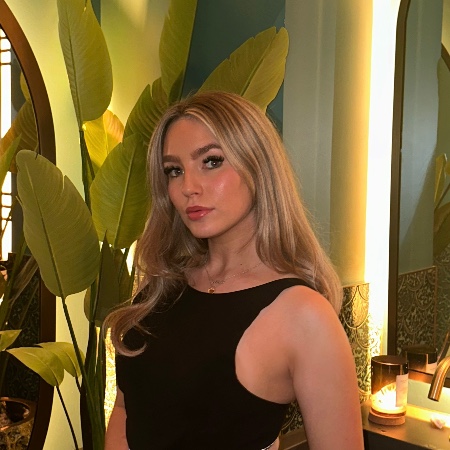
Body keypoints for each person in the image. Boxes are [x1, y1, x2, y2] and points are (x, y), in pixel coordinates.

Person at [104, 91, 364, 450]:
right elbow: (126, 409)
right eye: (174, 170)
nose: (188, 187)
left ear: (258, 166)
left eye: (211, 161)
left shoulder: (304, 314)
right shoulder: (161, 288)